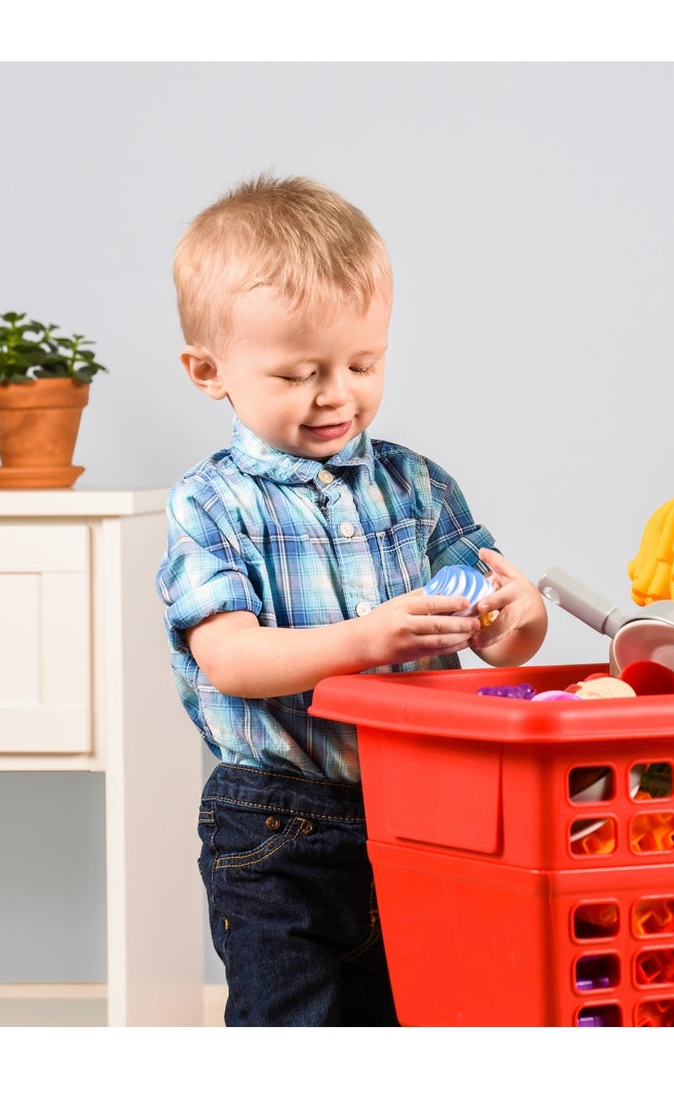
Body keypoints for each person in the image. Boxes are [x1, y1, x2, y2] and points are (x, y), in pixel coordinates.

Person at [157, 174, 547, 1027]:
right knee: (294, 1018)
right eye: (299, 373)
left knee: (424, 1009)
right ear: (207, 370)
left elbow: (498, 639)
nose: (338, 394)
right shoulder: (212, 502)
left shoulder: (416, 484)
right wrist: (365, 640)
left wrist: (518, 617)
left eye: (362, 364)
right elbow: (227, 659)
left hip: (429, 804)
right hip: (276, 821)